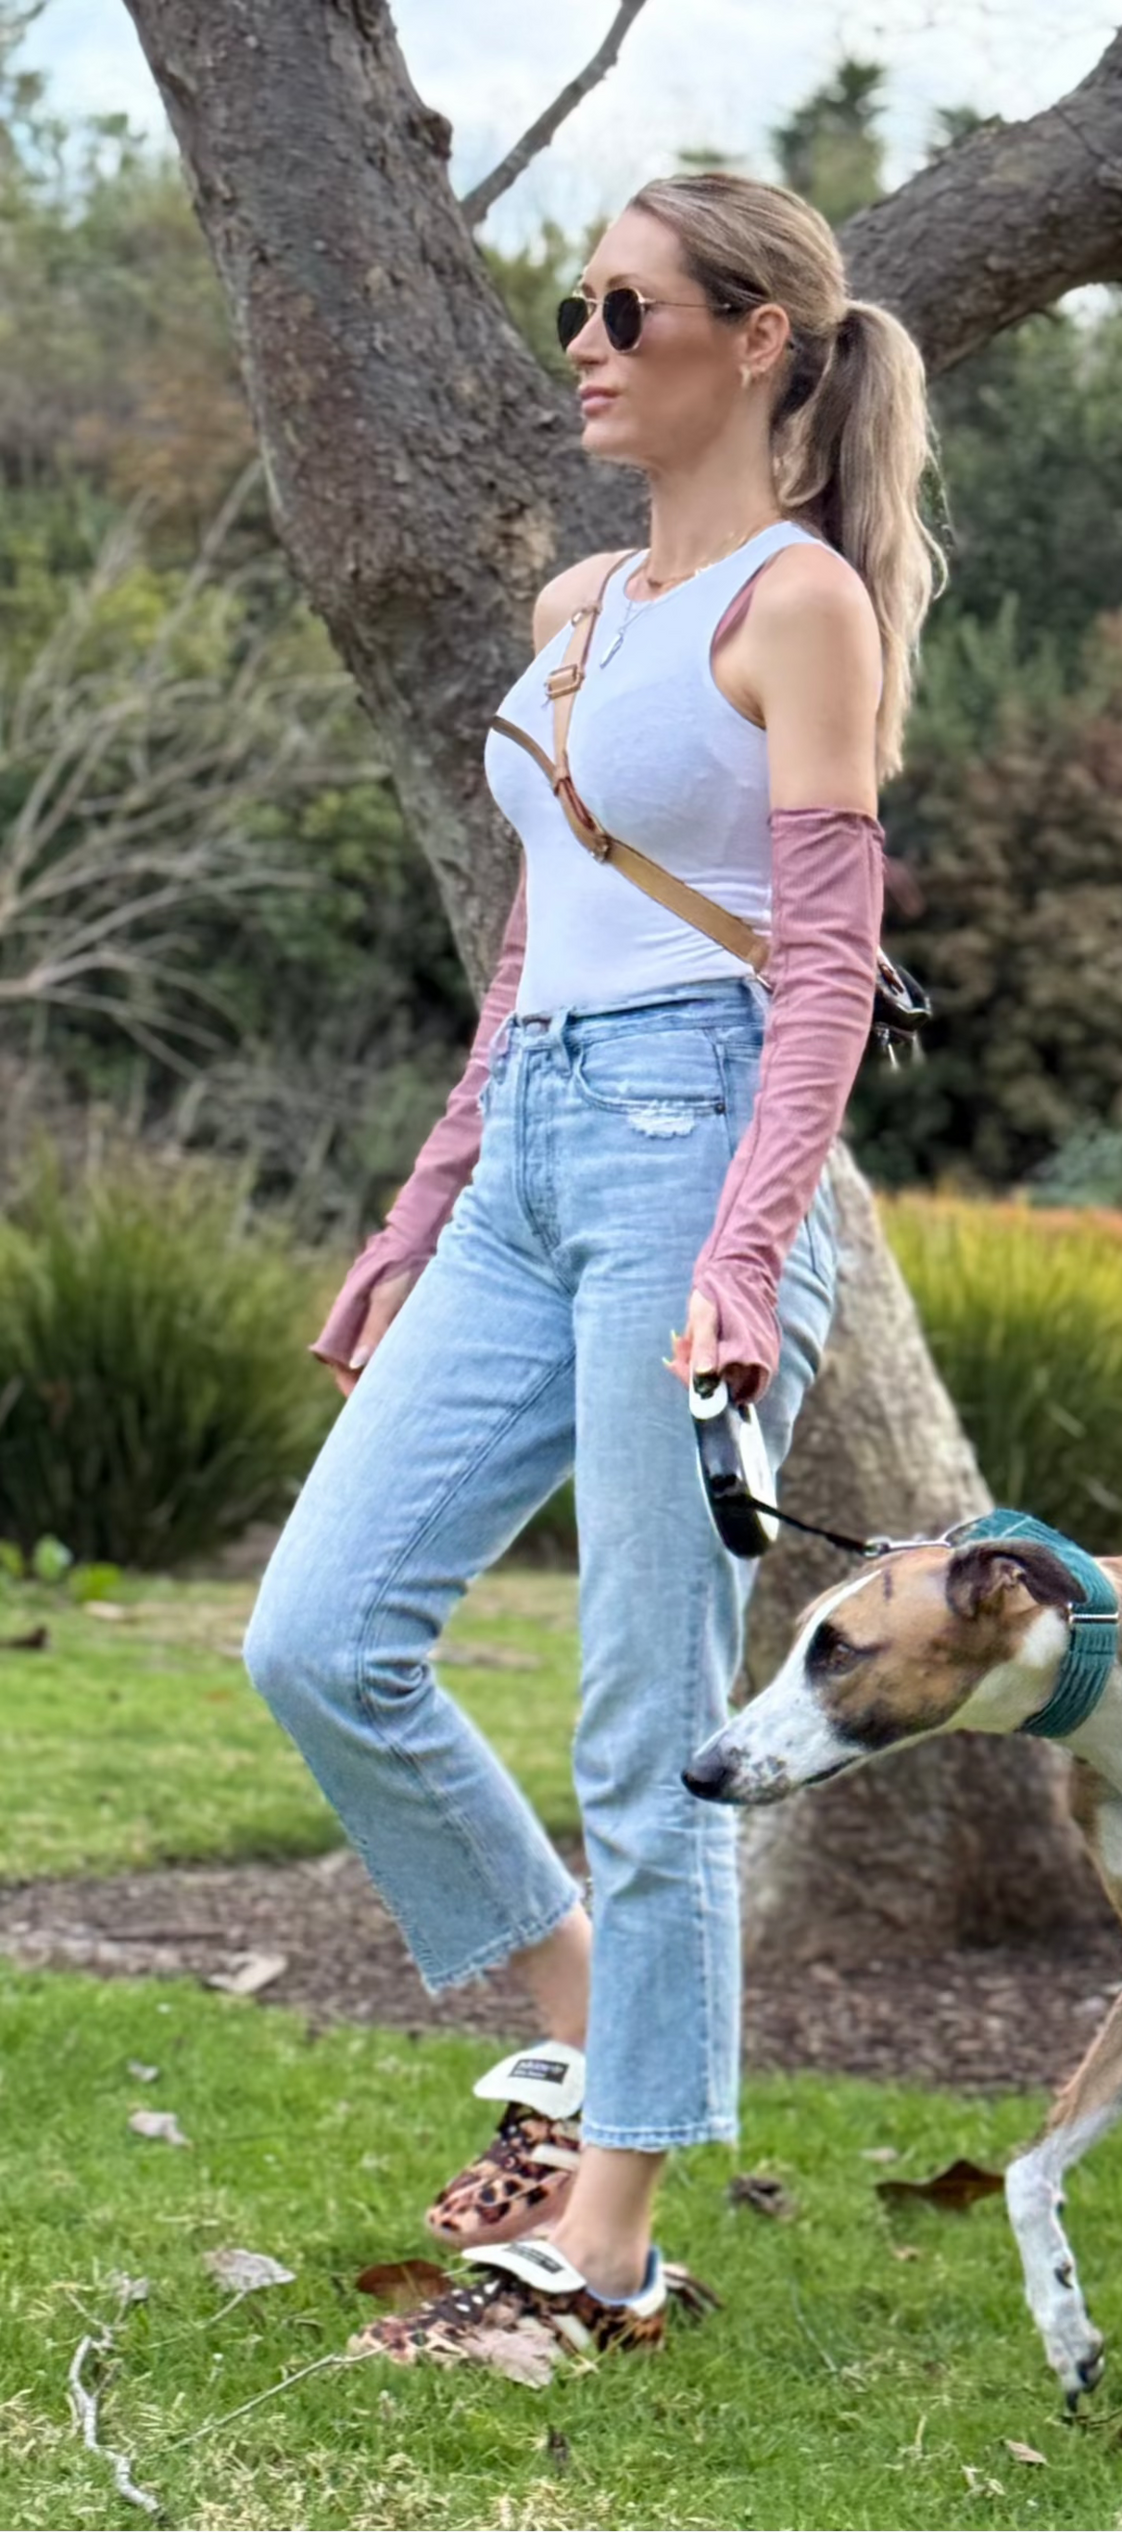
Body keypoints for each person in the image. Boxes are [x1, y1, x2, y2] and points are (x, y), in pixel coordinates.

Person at [243, 170, 940, 2364]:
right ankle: (573, 2012)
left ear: (754, 341)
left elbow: (824, 963)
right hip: (542, 1136)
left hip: (694, 1150)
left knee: (648, 1719)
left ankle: (614, 2237)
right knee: (320, 1635)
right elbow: (541, 938)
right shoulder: (575, 610)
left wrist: (747, 1253)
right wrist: (418, 1213)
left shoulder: (795, 602)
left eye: (627, 308)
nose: (584, 339)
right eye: (578, 303)